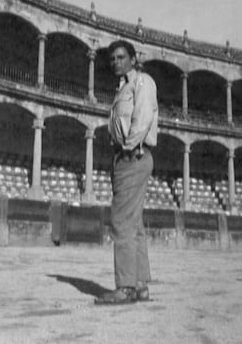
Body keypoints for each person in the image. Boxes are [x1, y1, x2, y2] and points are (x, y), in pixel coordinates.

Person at [95, 40, 158, 305]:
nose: (116, 62)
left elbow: (142, 118)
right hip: (129, 156)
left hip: (133, 155)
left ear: (133, 59)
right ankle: (140, 285)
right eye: (112, 59)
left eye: (121, 57)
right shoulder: (123, 88)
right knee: (134, 224)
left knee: (121, 222)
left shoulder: (141, 82)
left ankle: (125, 287)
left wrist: (130, 148)